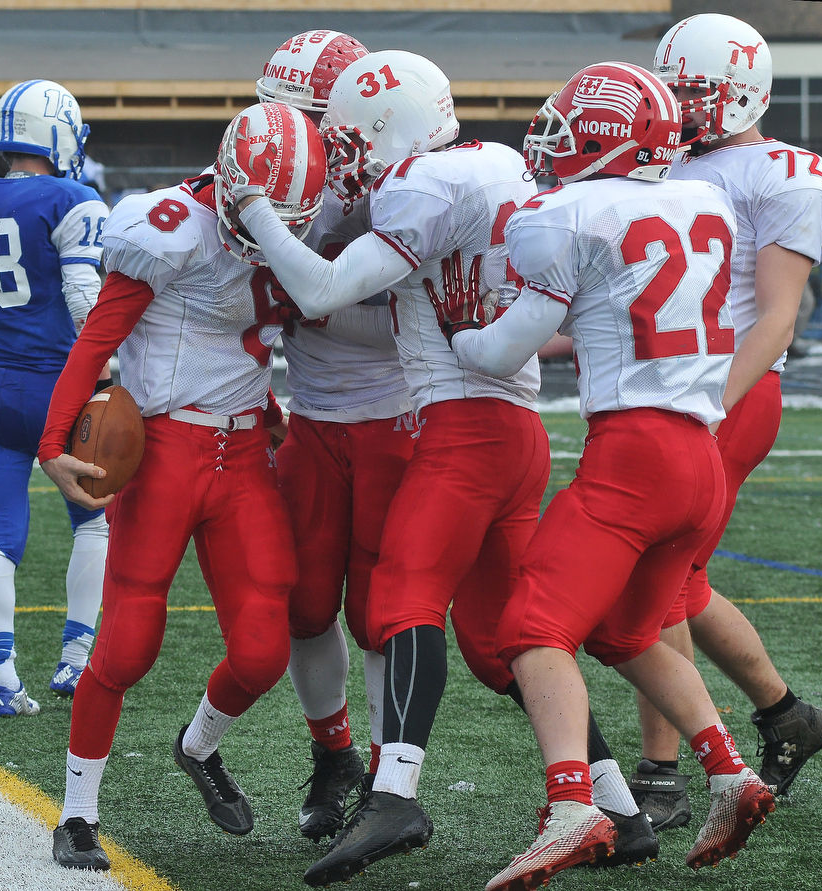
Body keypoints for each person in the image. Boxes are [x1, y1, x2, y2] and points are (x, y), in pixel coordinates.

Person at [231, 50, 655, 885]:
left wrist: (253, 206)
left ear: (392, 129)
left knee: (400, 599)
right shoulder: (491, 163)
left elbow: (318, 293)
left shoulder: (423, 185)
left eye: (353, 138)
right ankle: (619, 806)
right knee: (502, 642)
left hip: (464, 431)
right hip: (512, 430)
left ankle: (394, 795)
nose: (346, 154)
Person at [428, 60, 775, 890]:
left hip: (636, 452)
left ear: (612, 137)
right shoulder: (704, 199)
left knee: (528, 628)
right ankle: (729, 769)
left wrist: (459, 337)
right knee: (625, 632)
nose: (553, 142)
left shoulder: (571, 211)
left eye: (571, 127)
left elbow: (508, 344)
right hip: (701, 453)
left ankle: (572, 803)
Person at [41, 101, 326, 871]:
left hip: (244, 457)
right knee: (128, 643)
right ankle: (76, 813)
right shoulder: (170, 223)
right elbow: (100, 332)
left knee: (265, 651)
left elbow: (250, 339)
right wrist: (50, 441)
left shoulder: (300, 219)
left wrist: (266, 406)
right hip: (163, 448)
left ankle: (198, 747)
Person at [630, 13, 822, 829]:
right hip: (677, 386)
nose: (680, 106)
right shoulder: (673, 157)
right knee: (679, 579)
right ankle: (786, 715)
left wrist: (705, 409)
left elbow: (778, 318)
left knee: (652, 583)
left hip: (728, 394)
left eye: (696, 92)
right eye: (673, 89)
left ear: (745, 88)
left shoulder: (787, 172)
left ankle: (661, 769)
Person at [257, 29, 416, 843]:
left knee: (384, 613)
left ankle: (389, 779)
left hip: (394, 417)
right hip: (314, 420)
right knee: (306, 604)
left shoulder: (393, 181)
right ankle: (334, 755)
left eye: (306, 115)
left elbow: (401, 321)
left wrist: (300, 294)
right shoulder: (277, 170)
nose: (287, 131)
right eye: (275, 112)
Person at [0, 79, 111, 717]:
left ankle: (4, 680)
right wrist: (107, 370)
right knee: (96, 522)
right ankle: (74, 661)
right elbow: (81, 296)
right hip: (59, 389)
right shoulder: (73, 197)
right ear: (60, 133)